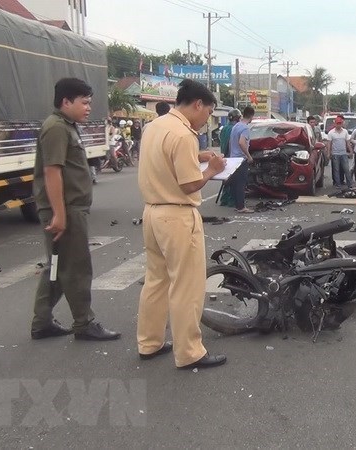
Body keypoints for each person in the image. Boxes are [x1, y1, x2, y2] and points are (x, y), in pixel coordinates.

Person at [137, 79, 227, 370]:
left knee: (156, 281)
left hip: (152, 212)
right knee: (186, 286)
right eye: (208, 112)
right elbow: (189, 184)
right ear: (198, 104)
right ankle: (189, 352)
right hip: (176, 216)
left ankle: (148, 343)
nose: (207, 120)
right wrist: (211, 170)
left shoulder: (156, 126)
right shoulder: (184, 134)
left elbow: (165, 160)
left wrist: (199, 156)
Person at [31, 78, 120, 341]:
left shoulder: (65, 126)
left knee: (58, 268)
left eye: (89, 102)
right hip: (66, 210)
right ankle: (84, 323)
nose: (88, 107)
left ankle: (42, 322)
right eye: (84, 102)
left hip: (69, 208)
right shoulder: (56, 128)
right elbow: (52, 172)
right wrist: (59, 213)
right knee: (77, 268)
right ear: (66, 101)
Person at [228, 106, 255, 213]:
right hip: (241, 159)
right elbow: (241, 142)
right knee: (241, 183)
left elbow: (232, 142)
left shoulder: (236, 126)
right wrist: (249, 156)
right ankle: (241, 207)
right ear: (252, 116)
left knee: (236, 183)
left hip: (233, 158)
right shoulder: (245, 128)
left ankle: (237, 204)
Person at [218, 108, 242, 207]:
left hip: (225, 155)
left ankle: (224, 200)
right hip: (233, 156)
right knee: (234, 179)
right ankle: (232, 201)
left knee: (226, 178)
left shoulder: (224, 128)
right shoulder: (235, 128)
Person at [326, 115, 353, 188]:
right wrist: (329, 153)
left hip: (343, 153)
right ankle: (338, 184)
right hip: (335, 154)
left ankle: (350, 184)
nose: (338, 125)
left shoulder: (345, 132)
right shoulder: (331, 133)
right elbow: (329, 144)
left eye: (340, 123)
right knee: (336, 170)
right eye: (337, 123)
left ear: (342, 124)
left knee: (346, 169)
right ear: (335, 124)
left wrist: (351, 151)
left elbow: (347, 142)